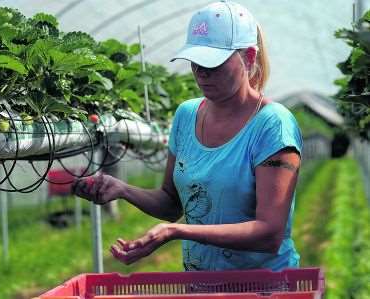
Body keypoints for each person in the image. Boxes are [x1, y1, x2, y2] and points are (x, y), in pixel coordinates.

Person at [74, 0, 303, 271]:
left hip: (266, 287)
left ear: (249, 57)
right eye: (195, 62)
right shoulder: (186, 116)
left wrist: (176, 232)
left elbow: (269, 234)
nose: (202, 72)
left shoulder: (272, 125)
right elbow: (172, 203)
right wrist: (123, 190)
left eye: (214, 63)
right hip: (201, 284)